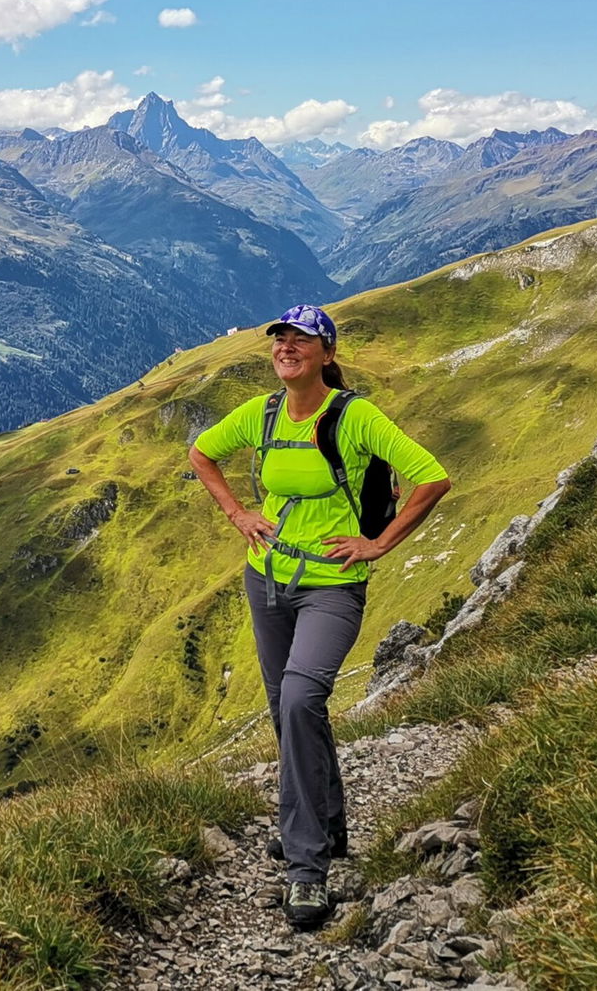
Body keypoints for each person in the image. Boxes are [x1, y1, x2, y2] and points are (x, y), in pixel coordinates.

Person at [188, 303, 451, 930]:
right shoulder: (263, 413)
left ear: (326, 355)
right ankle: (326, 827)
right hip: (268, 579)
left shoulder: (355, 416)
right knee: (288, 709)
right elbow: (201, 454)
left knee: (303, 698)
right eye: (281, 338)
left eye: (302, 339)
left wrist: (379, 543)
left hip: (333, 585)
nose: (287, 347)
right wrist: (238, 514)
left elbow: (432, 479)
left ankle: (307, 868)